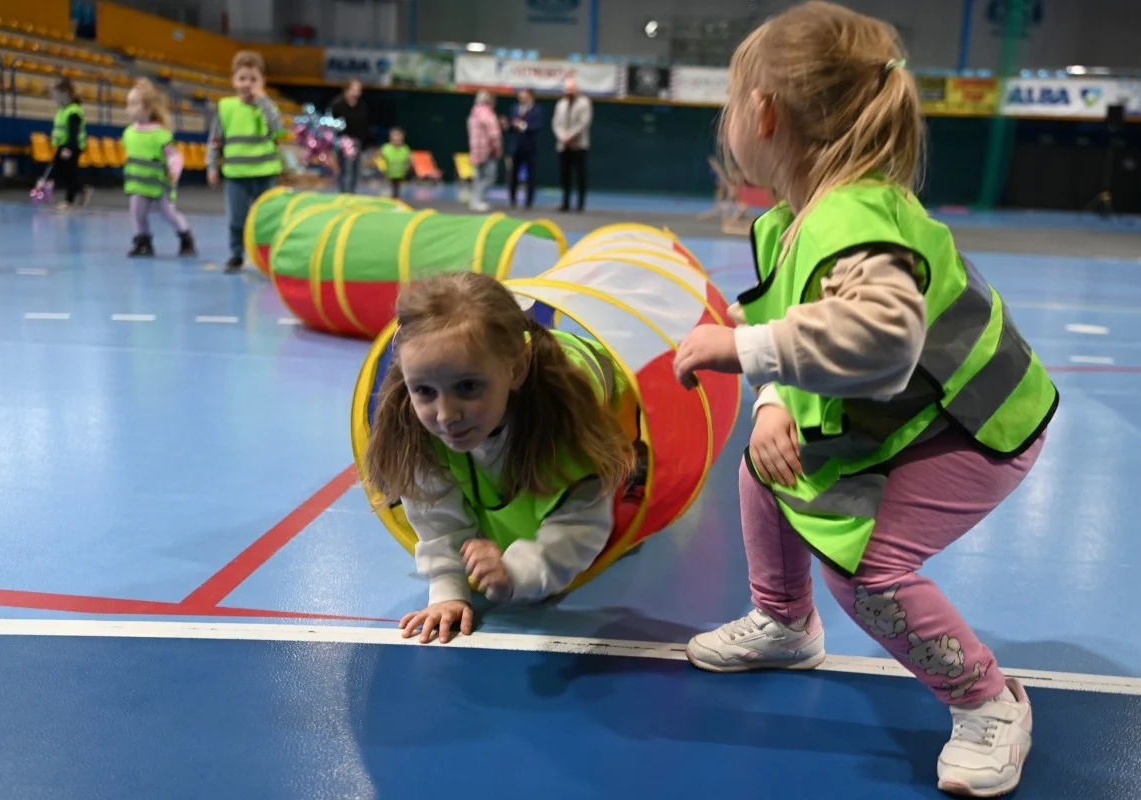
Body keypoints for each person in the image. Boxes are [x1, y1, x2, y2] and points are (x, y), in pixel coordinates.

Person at [670, 3, 1058, 797]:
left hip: (973, 427)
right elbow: (791, 312)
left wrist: (744, 352)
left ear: (764, 113)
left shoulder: (854, 216)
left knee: (870, 567)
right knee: (764, 467)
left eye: (729, 99)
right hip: (910, 418)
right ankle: (784, 623)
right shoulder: (794, 219)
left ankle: (988, 702)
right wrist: (774, 400)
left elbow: (882, 339)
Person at [362, 272, 636, 644]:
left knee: (602, 486)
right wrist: (448, 589)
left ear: (515, 370)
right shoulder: (416, 424)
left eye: (468, 387)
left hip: (606, 398)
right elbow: (434, 514)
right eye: (424, 390)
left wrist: (517, 572)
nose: (446, 414)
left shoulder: (566, 422)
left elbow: (580, 526)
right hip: (513, 398)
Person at [206, 50, 283, 274]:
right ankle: (236, 254)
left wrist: (264, 101)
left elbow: (278, 131)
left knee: (267, 220)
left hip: (265, 173)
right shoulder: (225, 108)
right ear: (233, 81)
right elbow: (215, 141)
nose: (247, 84)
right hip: (236, 176)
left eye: (253, 79)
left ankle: (267, 258)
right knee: (237, 219)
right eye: (242, 78)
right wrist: (212, 166)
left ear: (262, 82)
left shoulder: (268, 107)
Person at [122, 79, 196, 258]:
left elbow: (174, 156)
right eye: (127, 104)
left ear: (147, 109)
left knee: (168, 213)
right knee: (137, 213)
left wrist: (174, 170)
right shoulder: (129, 133)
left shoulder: (160, 134)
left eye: (133, 104)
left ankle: (185, 237)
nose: (128, 109)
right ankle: (143, 242)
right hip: (138, 184)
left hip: (158, 184)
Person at [49, 78, 91, 210]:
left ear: (65, 93)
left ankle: (69, 201)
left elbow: (74, 132)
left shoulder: (73, 111)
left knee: (70, 172)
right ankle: (82, 189)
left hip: (72, 146)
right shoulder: (62, 110)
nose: (53, 97)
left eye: (56, 93)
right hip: (62, 145)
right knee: (60, 171)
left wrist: (69, 148)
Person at [551, 76, 591, 212]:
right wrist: (561, 136)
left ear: (576, 89)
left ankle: (580, 203)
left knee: (580, 175)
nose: (569, 91)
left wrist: (571, 136)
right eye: (567, 89)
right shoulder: (560, 104)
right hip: (563, 145)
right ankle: (565, 203)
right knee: (564, 175)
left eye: (571, 89)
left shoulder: (584, 103)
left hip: (579, 145)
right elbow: (556, 122)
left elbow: (584, 123)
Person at [329, 79, 370, 194]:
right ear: (346, 90)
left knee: (355, 169)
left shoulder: (361, 105)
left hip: (357, 140)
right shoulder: (337, 105)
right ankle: (344, 192)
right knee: (345, 168)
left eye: (359, 90)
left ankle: (351, 192)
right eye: (354, 90)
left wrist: (364, 141)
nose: (357, 93)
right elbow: (331, 124)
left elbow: (364, 124)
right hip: (342, 140)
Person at [466, 90, 502, 212]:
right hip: (487, 150)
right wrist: (497, 149)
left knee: (479, 177)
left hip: (476, 150)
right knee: (490, 177)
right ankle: (479, 200)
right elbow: (494, 134)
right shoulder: (488, 114)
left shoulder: (473, 113)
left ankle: (475, 200)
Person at [506, 88, 541, 209]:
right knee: (513, 174)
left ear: (530, 97)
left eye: (524, 97)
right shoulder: (515, 108)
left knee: (531, 176)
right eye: (520, 97)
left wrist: (522, 125)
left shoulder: (536, 110)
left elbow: (536, 127)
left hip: (530, 148)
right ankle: (512, 199)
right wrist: (509, 125)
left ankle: (529, 201)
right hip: (517, 147)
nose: (521, 99)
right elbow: (511, 126)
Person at [380, 127, 411, 199]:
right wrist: (382, 168)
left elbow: (408, 161)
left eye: (399, 136)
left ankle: (397, 199)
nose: (397, 138)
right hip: (387, 175)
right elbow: (380, 159)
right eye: (395, 136)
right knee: (388, 191)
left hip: (400, 175)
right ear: (390, 137)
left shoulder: (405, 149)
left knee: (397, 190)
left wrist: (407, 167)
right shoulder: (386, 148)